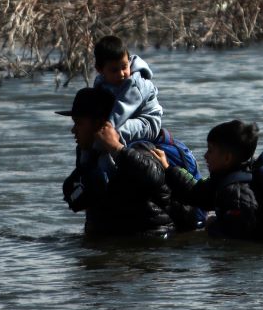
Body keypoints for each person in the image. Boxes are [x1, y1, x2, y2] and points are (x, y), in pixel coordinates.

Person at [59, 86, 178, 238]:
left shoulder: (139, 148)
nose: (73, 130)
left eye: (78, 123)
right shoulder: (88, 153)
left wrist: (117, 149)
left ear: (100, 124)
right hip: (111, 243)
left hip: (149, 243)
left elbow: (155, 177)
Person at [153, 119, 260, 240]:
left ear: (227, 158)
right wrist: (168, 168)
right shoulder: (226, 178)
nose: (205, 156)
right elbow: (196, 193)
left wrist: (212, 225)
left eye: (210, 150)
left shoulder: (236, 191)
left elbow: (240, 233)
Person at [92, 35, 163, 145]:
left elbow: (123, 108)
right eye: (114, 70)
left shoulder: (136, 83)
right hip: (125, 118)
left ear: (129, 62)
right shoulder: (101, 82)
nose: (121, 74)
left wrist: (107, 127)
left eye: (124, 67)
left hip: (147, 123)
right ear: (100, 70)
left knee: (110, 134)